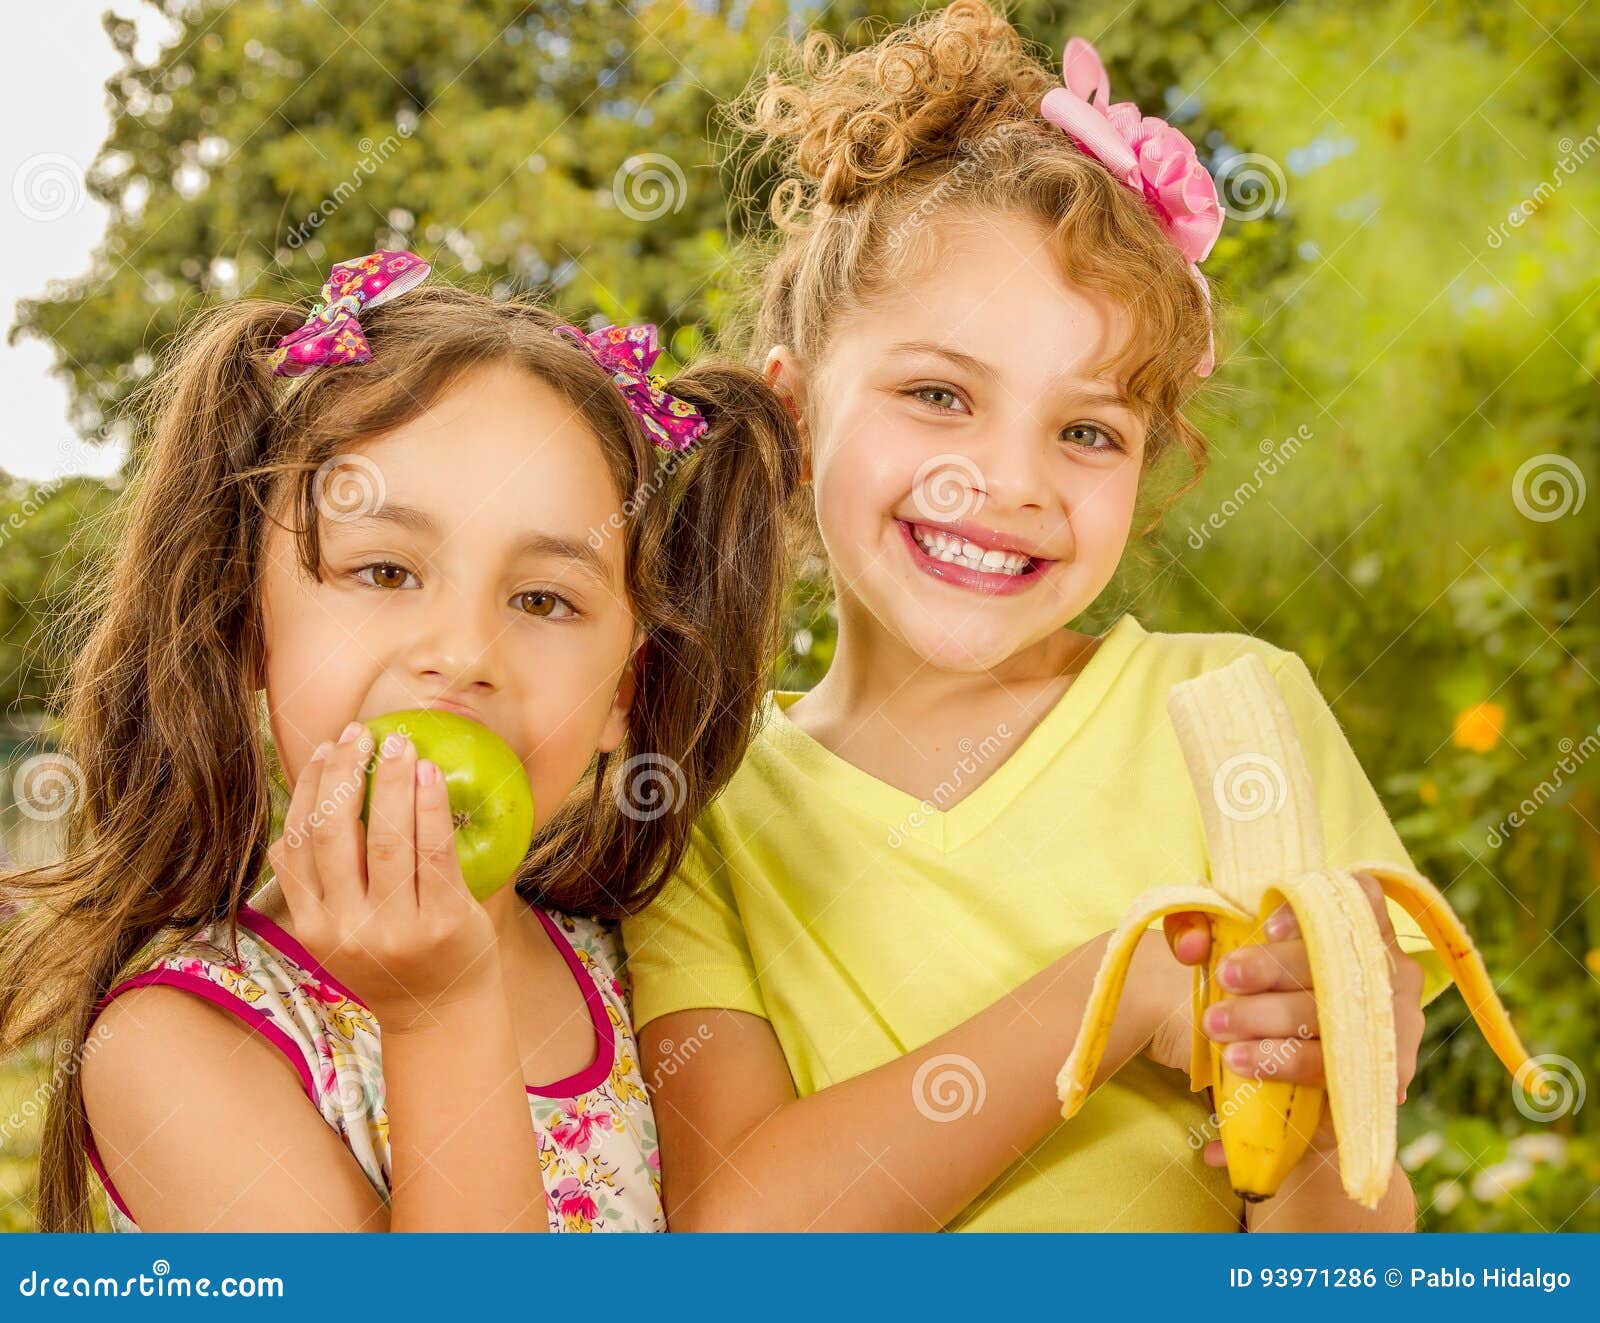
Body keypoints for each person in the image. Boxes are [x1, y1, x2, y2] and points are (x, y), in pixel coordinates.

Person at [623, 2, 1447, 1232]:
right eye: (939, 392)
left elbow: (1347, 1240)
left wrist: (1333, 1110)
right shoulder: (696, 803)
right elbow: (741, 1235)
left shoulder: (1232, 714)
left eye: (1085, 431)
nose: (1008, 483)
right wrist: (1117, 999)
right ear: (792, 415)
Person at [0, 250, 803, 1231]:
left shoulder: (655, 968)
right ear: (246, 622)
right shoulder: (177, 1044)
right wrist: (439, 1016)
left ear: (621, 695)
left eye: (543, 598)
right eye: (384, 573)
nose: (464, 654)